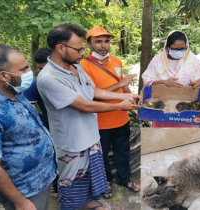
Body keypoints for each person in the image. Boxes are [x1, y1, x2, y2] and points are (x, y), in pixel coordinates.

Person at [37, 23, 140, 210]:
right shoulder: (49, 78)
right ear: (60, 48)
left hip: (90, 135)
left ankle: (90, 202)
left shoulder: (76, 67)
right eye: (78, 49)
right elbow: (84, 104)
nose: (83, 52)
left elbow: (92, 91)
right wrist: (120, 105)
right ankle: (74, 206)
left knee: (92, 175)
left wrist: (125, 95)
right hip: (72, 141)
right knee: (72, 182)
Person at [0, 45, 56, 210]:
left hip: (41, 178)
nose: (30, 72)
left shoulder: (15, 93)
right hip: (24, 190)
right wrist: (20, 203)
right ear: (4, 76)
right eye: (24, 69)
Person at [80, 26, 140, 198]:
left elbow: (122, 85)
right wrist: (120, 86)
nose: (103, 45)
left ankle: (124, 179)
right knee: (102, 154)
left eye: (106, 41)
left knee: (123, 150)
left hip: (122, 117)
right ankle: (105, 181)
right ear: (89, 44)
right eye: (98, 41)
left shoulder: (116, 61)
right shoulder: (84, 67)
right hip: (100, 121)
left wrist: (130, 95)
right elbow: (91, 96)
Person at [142, 30, 200, 127]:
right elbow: (146, 80)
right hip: (163, 107)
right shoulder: (158, 61)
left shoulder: (193, 61)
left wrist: (194, 84)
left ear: (186, 46)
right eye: (175, 49)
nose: (179, 52)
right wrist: (164, 82)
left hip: (185, 108)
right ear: (167, 47)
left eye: (182, 49)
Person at [23, 47, 52, 130]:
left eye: (47, 68)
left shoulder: (69, 76)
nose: (44, 72)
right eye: (41, 69)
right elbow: (25, 109)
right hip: (52, 131)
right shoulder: (35, 84)